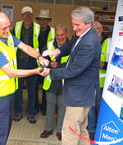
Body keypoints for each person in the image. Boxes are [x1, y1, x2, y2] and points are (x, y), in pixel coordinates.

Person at [0, 12, 48, 145]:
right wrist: (36, 71)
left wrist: (39, 57)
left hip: (10, 93)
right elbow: (11, 72)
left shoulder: (8, 37)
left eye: (9, 26)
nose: (8, 30)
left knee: (5, 129)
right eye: (3, 28)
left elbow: (25, 47)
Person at [41, 7, 101, 145]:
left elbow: (73, 70)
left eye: (77, 25)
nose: (74, 28)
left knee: (69, 132)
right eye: (73, 24)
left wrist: (50, 72)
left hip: (79, 96)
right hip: (83, 94)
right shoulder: (85, 34)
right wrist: (57, 50)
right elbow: (72, 44)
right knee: (81, 129)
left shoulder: (89, 43)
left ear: (88, 23)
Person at [12, 6, 42, 123]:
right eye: (25, 14)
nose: (27, 17)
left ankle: (31, 113)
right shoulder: (17, 26)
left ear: (32, 16)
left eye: (29, 14)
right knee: (18, 89)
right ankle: (18, 112)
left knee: (32, 90)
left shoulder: (38, 28)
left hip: (33, 63)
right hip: (19, 62)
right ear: (21, 16)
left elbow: (42, 44)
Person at [40, 24, 69, 141]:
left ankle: (60, 130)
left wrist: (58, 66)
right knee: (50, 106)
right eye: (58, 35)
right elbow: (41, 59)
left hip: (64, 83)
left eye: (62, 35)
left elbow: (74, 65)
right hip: (51, 82)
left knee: (62, 107)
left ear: (67, 34)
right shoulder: (49, 45)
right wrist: (48, 63)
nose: (60, 37)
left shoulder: (71, 46)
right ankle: (48, 128)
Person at [88, 21, 111, 140]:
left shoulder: (108, 42)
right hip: (90, 81)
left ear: (101, 30)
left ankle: (100, 128)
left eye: (95, 29)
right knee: (90, 106)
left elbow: (114, 62)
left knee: (100, 107)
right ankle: (91, 130)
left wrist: (105, 65)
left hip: (103, 82)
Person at [35, 9, 54, 115]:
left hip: (47, 63)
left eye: (45, 20)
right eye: (41, 20)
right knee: (34, 87)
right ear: (38, 21)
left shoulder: (53, 32)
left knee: (46, 87)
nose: (43, 22)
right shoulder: (35, 31)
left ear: (48, 21)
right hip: (35, 62)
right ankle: (36, 106)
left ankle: (44, 107)